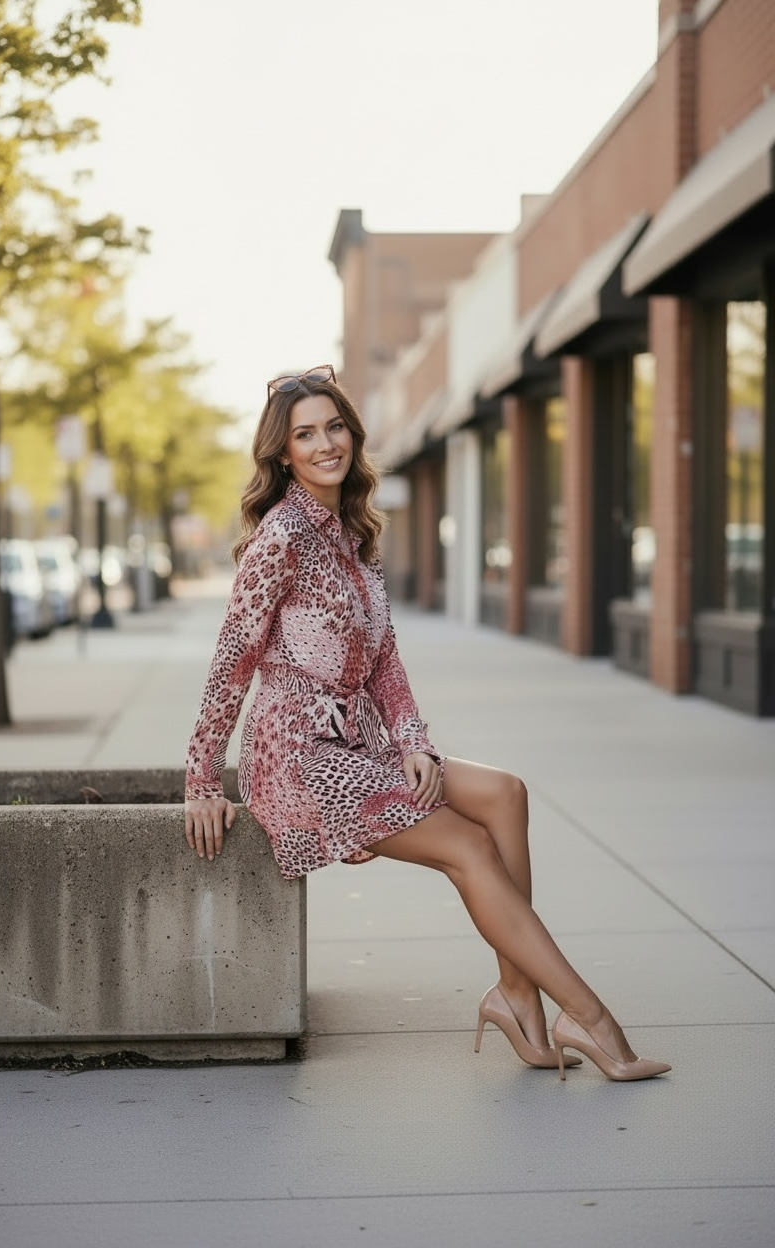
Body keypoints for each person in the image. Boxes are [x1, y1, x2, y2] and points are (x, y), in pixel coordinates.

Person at [185, 365, 671, 1083]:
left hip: (362, 744)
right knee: (470, 846)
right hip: (299, 758)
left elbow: (385, 662)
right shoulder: (281, 538)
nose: (326, 445)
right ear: (282, 453)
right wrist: (201, 776)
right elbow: (232, 660)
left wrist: (413, 740)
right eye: (306, 435)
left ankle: (515, 997)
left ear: (353, 432)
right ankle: (589, 1018)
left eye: (335, 427)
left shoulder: (354, 534)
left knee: (506, 793)